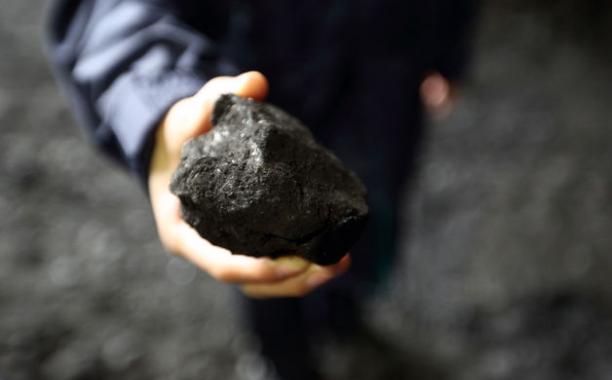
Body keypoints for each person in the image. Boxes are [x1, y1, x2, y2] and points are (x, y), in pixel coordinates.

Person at [46, 1, 476, 378]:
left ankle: (342, 318)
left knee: (356, 234)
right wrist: (156, 100)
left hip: (384, 90)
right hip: (265, 71)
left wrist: (448, 54)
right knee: (273, 278)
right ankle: (282, 360)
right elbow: (111, 11)